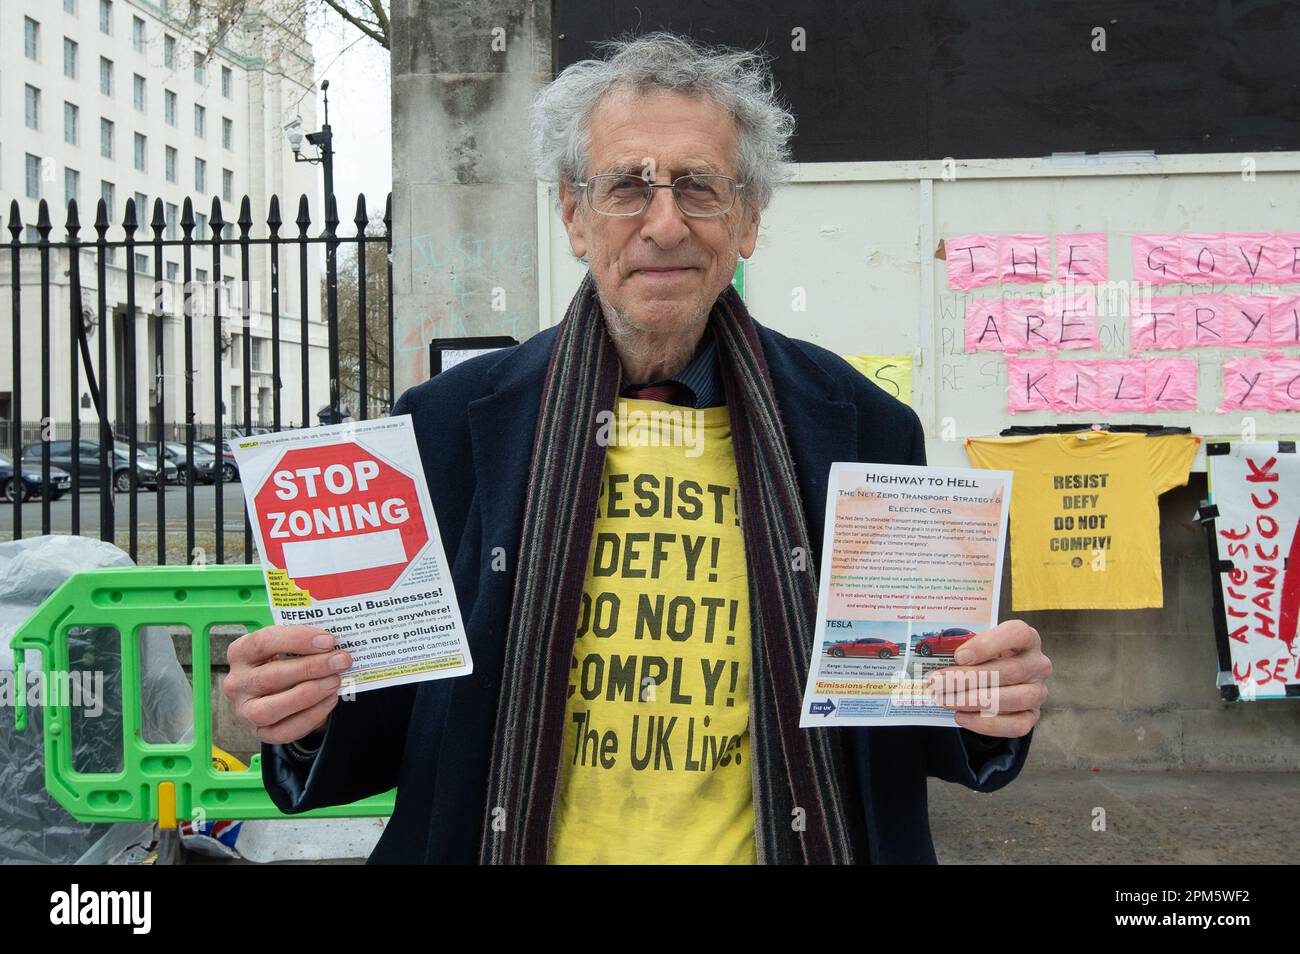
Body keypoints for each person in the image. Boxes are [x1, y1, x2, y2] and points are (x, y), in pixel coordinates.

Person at [225, 31, 1051, 864]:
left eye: (700, 186)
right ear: (574, 216)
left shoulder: (865, 426)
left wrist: (983, 701)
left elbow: (899, 710)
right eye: (627, 186)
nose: (664, 225)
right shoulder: (447, 427)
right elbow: (384, 724)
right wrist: (306, 709)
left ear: (749, 218)